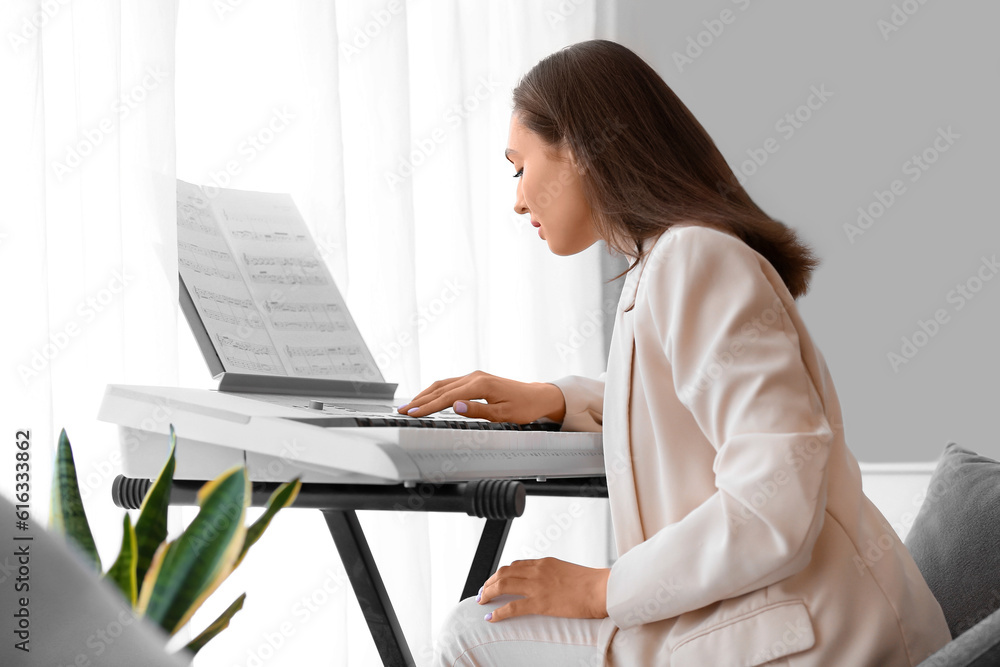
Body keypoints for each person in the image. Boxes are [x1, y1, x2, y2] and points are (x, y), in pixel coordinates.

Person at [398, 39, 951, 666]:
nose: (518, 199)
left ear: (580, 148)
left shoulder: (694, 258)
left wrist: (601, 588)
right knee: (479, 626)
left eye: (519, 166)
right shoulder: (665, 259)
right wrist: (553, 399)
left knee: (474, 633)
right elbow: (682, 408)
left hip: (815, 637)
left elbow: (775, 495)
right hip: (765, 617)